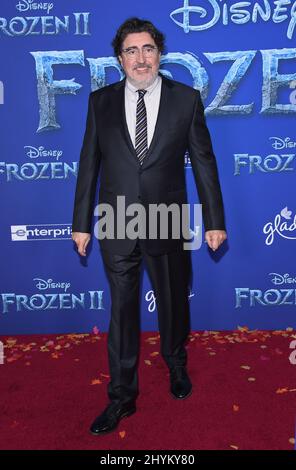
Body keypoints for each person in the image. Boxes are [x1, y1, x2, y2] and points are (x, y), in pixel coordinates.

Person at [72, 17, 227, 435]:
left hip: (168, 216)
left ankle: (176, 365)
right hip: (117, 217)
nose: (140, 58)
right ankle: (122, 396)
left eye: (148, 49)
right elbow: (89, 163)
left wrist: (214, 220)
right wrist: (81, 222)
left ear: (160, 54)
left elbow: (205, 163)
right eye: (131, 50)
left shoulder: (186, 99)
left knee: (174, 300)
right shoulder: (99, 102)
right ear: (119, 58)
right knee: (121, 312)